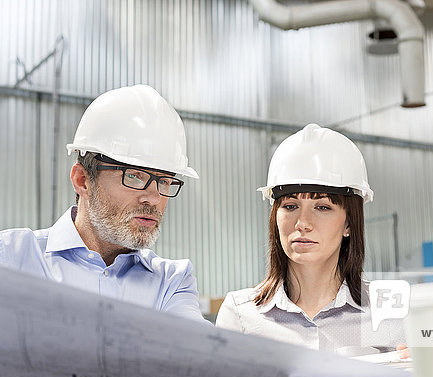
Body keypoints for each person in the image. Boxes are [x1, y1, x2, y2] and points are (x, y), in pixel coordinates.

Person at [0, 84, 208, 323]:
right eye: (134, 176)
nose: (153, 198)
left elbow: (190, 355)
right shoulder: (11, 258)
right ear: (83, 180)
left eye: (165, 181)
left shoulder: (172, 282)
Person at [216, 124, 406, 356]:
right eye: (290, 206)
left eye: (322, 207)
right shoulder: (240, 314)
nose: (302, 222)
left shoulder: (389, 314)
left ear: (349, 224)